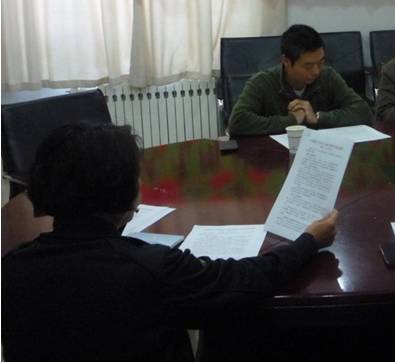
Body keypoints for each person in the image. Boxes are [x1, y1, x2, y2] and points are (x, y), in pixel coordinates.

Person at [1, 123, 339, 361]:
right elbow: (247, 279)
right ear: (122, 191)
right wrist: (308, 241)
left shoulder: (11, 268)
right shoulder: (150, 269)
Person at [228, 24, 372, 136]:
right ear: (286, 61)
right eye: (308, 66)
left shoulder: (328, 76)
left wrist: (318, 118)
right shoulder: (262, 82)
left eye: (321, 62)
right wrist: (293, 120)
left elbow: (363, 112)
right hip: (275, 156)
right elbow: (237, 122)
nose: (316, 71)